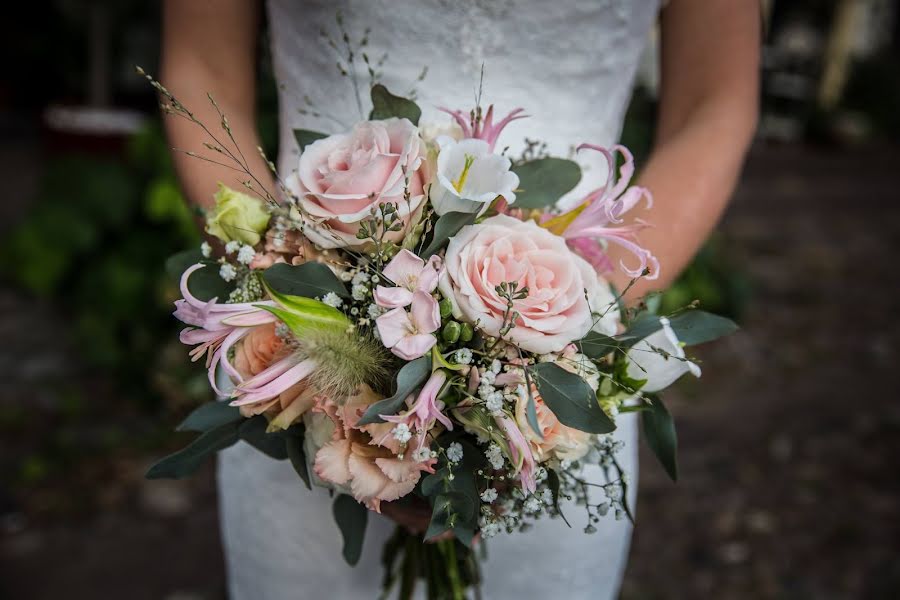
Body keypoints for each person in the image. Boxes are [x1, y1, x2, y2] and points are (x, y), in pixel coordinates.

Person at [161, 1, 759, 598]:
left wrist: (589, 314)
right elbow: (200, 66)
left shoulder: (576, 339)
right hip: (299, 349)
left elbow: (716, 105)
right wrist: (281, 275)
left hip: (565, 362)